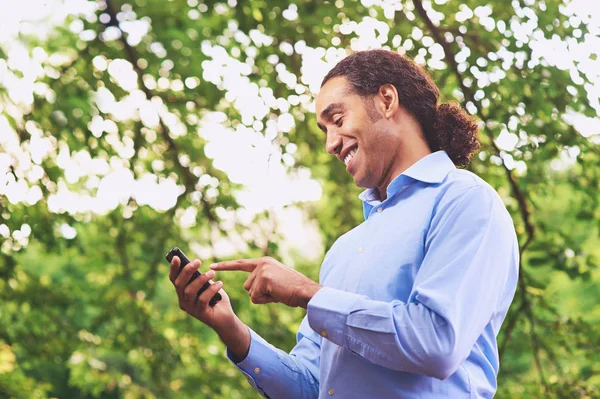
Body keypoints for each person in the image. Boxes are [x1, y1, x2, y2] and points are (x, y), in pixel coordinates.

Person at [169, 49, 519, 398]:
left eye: (337, 119)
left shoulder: (466, 201)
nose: (330, 145)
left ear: (386, 100)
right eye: (324, 130)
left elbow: (436, 342)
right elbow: (313, 386)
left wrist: (308, 293)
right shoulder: (344, 251)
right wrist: (232, 330)